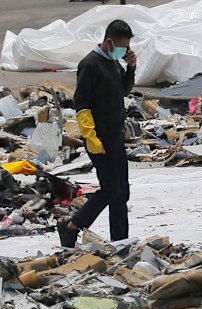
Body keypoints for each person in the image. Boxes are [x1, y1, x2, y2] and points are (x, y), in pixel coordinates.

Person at [57, 19, 137, 248]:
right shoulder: (90, 64)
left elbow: (123, 89)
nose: (124, 51)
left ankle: (121, 241)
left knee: (121, 192)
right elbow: (81, 103)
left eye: (127, 47)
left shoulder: (113, 62)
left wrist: (130, 68)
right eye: (122, 46)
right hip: (99, 138)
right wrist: (90, 136)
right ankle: (71, 226)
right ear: (109, 42)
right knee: (111, 189)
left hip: (115, 135)